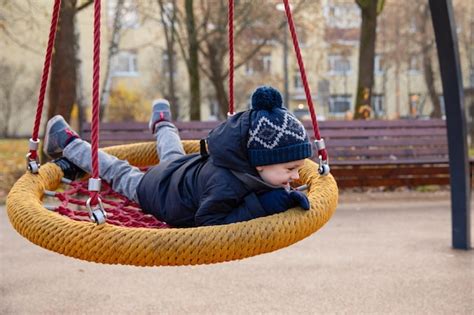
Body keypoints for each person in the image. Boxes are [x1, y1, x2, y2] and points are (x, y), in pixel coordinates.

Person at [44, 86, 313, 227]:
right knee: (120, 172)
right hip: (158, 194)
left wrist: (279, 192)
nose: (296, 175)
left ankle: (162, 121)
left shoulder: (243, 160)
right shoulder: (226, 185)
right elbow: (208, 223)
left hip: (183, 172)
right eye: (290, 168)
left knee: (172, 153)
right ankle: (67, 142)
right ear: (260, 162)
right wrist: (263, 205)